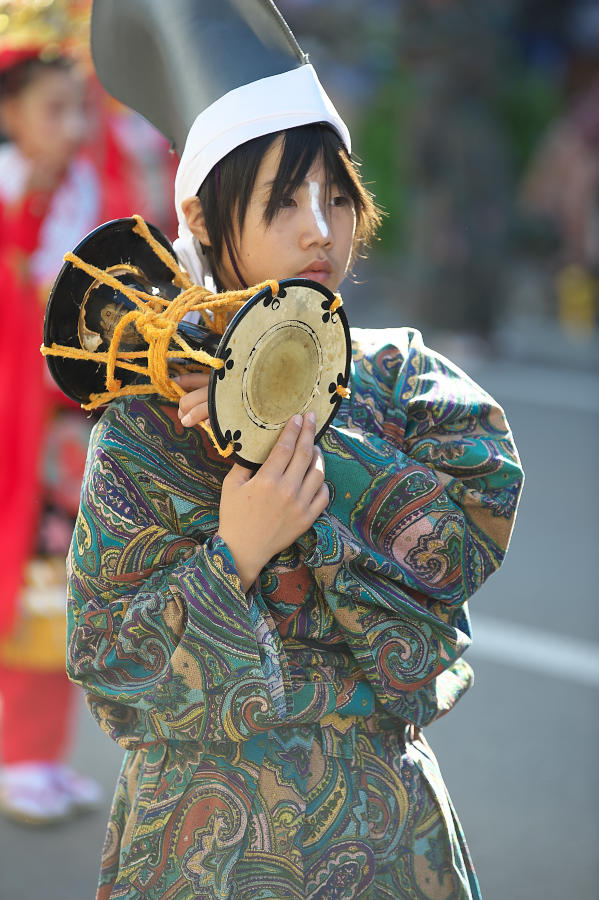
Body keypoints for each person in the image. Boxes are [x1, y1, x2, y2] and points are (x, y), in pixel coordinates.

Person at [62, 0, 524, 896]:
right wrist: (234, 549)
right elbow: (114, 672)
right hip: (199, 852)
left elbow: (457, 555)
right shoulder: (148, 420)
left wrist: (291, 421)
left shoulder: (403, 378)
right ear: (200, 215)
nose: (322, 228)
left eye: (337, 194)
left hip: (385, 835)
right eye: (283, 201)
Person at [0, 3, 156, 825]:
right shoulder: (12, 199)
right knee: (27, 588)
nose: (69, 127)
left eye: (77, 110)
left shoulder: (76, 196)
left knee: (59, 590)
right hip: (14, 433)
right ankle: (19, 755)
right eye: (51, 109)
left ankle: (36, 754)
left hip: (60, 433)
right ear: (8, 114)